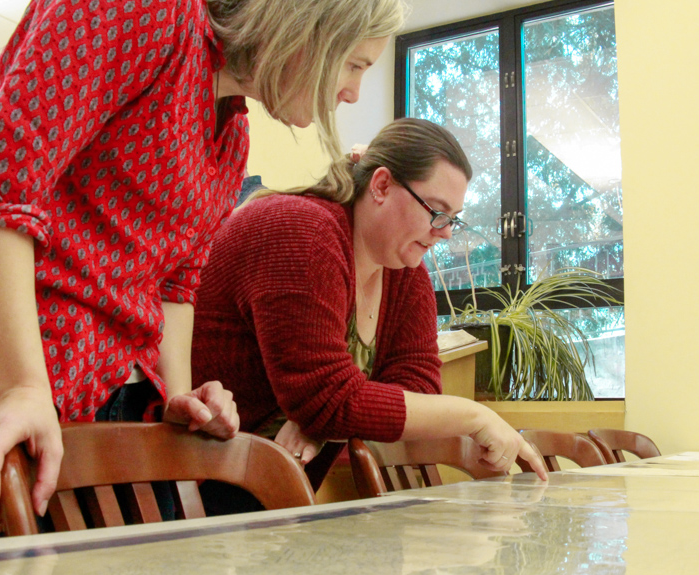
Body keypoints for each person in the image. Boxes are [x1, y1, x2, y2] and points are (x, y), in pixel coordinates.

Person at [0, 0, 406, 542]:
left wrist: (179, 395)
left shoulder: (231, 139)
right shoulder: (147, 12)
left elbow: (176, 283)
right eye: (355, 65)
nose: (351, 93)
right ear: (307, 27)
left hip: (112, 395)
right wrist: (21, 387)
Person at [191, 118, 548, 512]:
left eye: (453, 219)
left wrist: (327, 420)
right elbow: (329, 399)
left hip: (266, 491)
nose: (444, 233)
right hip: (184, 486)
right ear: (381, 185)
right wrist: (473, 415)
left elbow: (417, 388)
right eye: (437, 211)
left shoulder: (404, 271)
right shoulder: (303, 230)